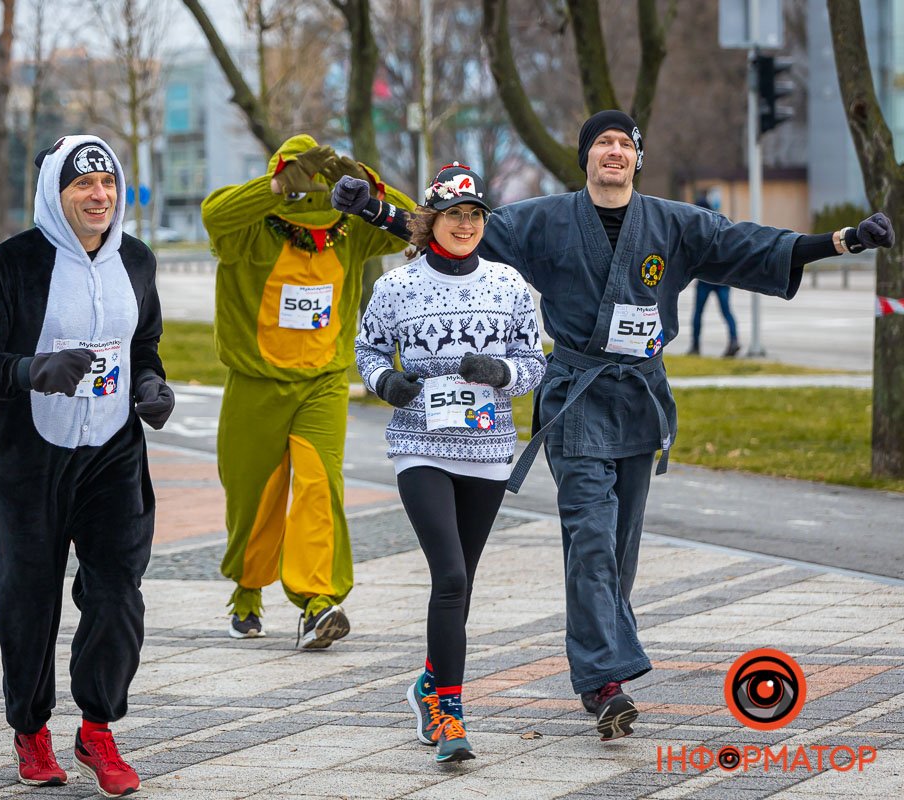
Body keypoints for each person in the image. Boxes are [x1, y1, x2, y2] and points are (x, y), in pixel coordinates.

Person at [332, 110, 895, 742]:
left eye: (625, 144)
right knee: (591, 538)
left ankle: (601, 666)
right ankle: (603, 683)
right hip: (576, 397)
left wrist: (841, 242)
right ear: (586, 157)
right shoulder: (544, 221)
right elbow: (459, 232)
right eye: (602, 142)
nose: (614, 152)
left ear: (637, 159)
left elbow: (748, 246)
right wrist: (378, 214)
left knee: (621, 548)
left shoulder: (675, 224)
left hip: (639, 398)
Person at [0, 135, 174, 796]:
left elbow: (146, 344)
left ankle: (98, 727)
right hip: (30, 456)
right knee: (29, 595)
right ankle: (31, 727)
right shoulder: (15, 263)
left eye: (107, 183)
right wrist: (30, 370)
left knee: (117, 591)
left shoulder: (137, 259)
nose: (99, 195)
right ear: (56, 191)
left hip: (112, 452)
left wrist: (151, 387)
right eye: (83, 185)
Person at [355, 163, 545, 762]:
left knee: (460, 585)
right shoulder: (396, 286)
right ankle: (449, 713)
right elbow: (366, 348)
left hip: (487, 449)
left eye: (473, 215)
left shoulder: (509, 284)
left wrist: (505, 373)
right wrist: (387, 382)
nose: (464, 225)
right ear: (429, 221)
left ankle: (427, 685)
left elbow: (535, 363)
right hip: (421, 446)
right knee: (451, 577)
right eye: (452, 215)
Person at [201, 134, 413, 648]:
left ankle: (319, 600)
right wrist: (275, 185)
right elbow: (215, 215)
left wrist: (367, 182)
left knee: (321, 487)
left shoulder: (351, 233)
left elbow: (414, 225)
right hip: (255, 383)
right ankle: (248, 590)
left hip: (322, 383)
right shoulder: (248, 231)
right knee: (252, 496)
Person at [688, 195, 740, 357]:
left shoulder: (697, 228)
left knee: (698, 312)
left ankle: (695, 346)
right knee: (727, 311)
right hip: (723, 277)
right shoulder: (722, 223)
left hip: (705, 277)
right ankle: (734, 340)